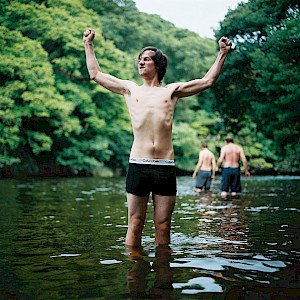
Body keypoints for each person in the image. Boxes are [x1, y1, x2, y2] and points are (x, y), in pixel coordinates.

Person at [83, 28, 232, 247]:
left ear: (158, 65)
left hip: (164, 166)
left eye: (146, 59)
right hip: (138, 164)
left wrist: (222, 53)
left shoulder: (171, 91)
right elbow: (95, 74)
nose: (140, 63)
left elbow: (207, 81)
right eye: (139, 60)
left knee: (163, 225)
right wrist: (88, 44)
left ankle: (163, 277)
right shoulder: (129, 89)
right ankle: (134, 273)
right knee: (135, 222)